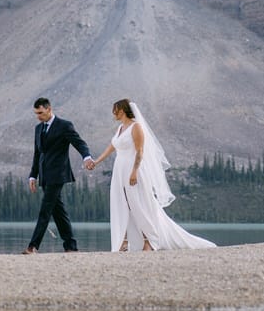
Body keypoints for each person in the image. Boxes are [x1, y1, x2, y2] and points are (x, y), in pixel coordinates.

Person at [83, 99, 215, 252]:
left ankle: (150, 240)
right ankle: (124, 241)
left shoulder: (136, 127)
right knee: (123, 203)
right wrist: (96, 161)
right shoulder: (120, 128)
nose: (114, 113)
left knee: (139, 204)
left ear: (123, 110)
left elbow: (140, 151)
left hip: (133, 170)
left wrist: (134, 171)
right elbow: (112, 147)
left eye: (116, 110)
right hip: (119, 171)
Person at [25, 98, 92, 253]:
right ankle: (70, 246)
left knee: (45, 209)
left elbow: (79, 142)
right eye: (36, 113)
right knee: (58, 211)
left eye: (40, 113)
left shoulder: (64, 125)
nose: (38, 116)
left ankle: (33, 246)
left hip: (58, 174)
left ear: (49, 109)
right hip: (44, 175)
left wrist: (86, 156)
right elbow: (37, 154)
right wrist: (32, 176)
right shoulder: (38, 129)